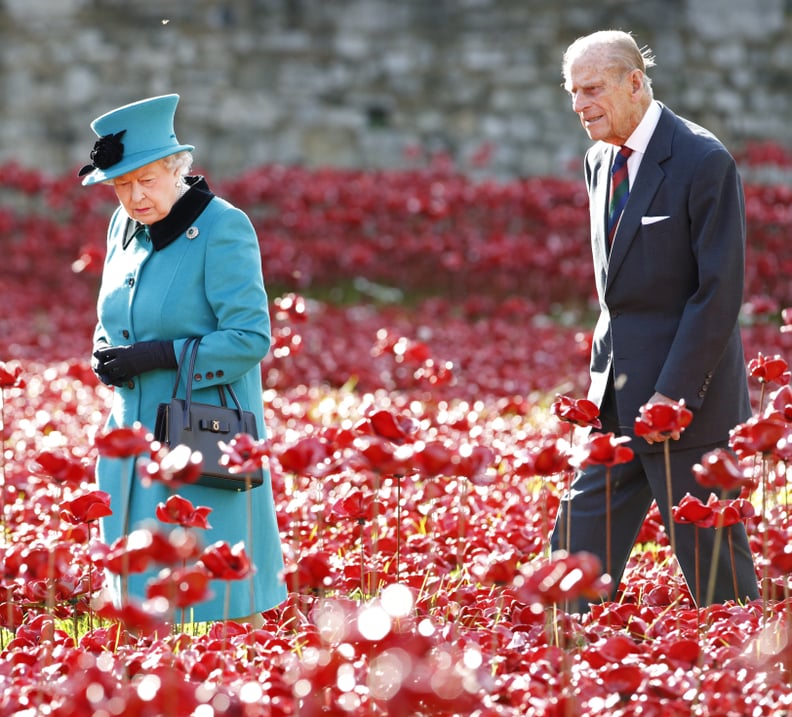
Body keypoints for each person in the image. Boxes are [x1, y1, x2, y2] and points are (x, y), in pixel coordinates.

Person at [550, 31, 759, 611]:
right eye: (571, 91)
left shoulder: (703, 159)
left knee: (718, 576)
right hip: (614, 403)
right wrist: (600, 388)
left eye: (591, 89)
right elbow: (617, 294)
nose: (578, 104)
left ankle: (753, 684)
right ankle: (562, 673)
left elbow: (717, 295)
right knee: (573, 551)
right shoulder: (598, 161)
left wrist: (673, 397)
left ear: (634, 82)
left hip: (685, 408)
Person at [81, 94, 287, 625]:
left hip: (201, 434)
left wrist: (157, 355)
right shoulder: (120, 226)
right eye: (121, 184)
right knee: (137, 598)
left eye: (147, 179)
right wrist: (104, 349)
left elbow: (249, 338)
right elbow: (113, 313)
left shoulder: (224, 228)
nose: (134, 195)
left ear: (179, 169)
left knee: (219, 598)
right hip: (129, 434)